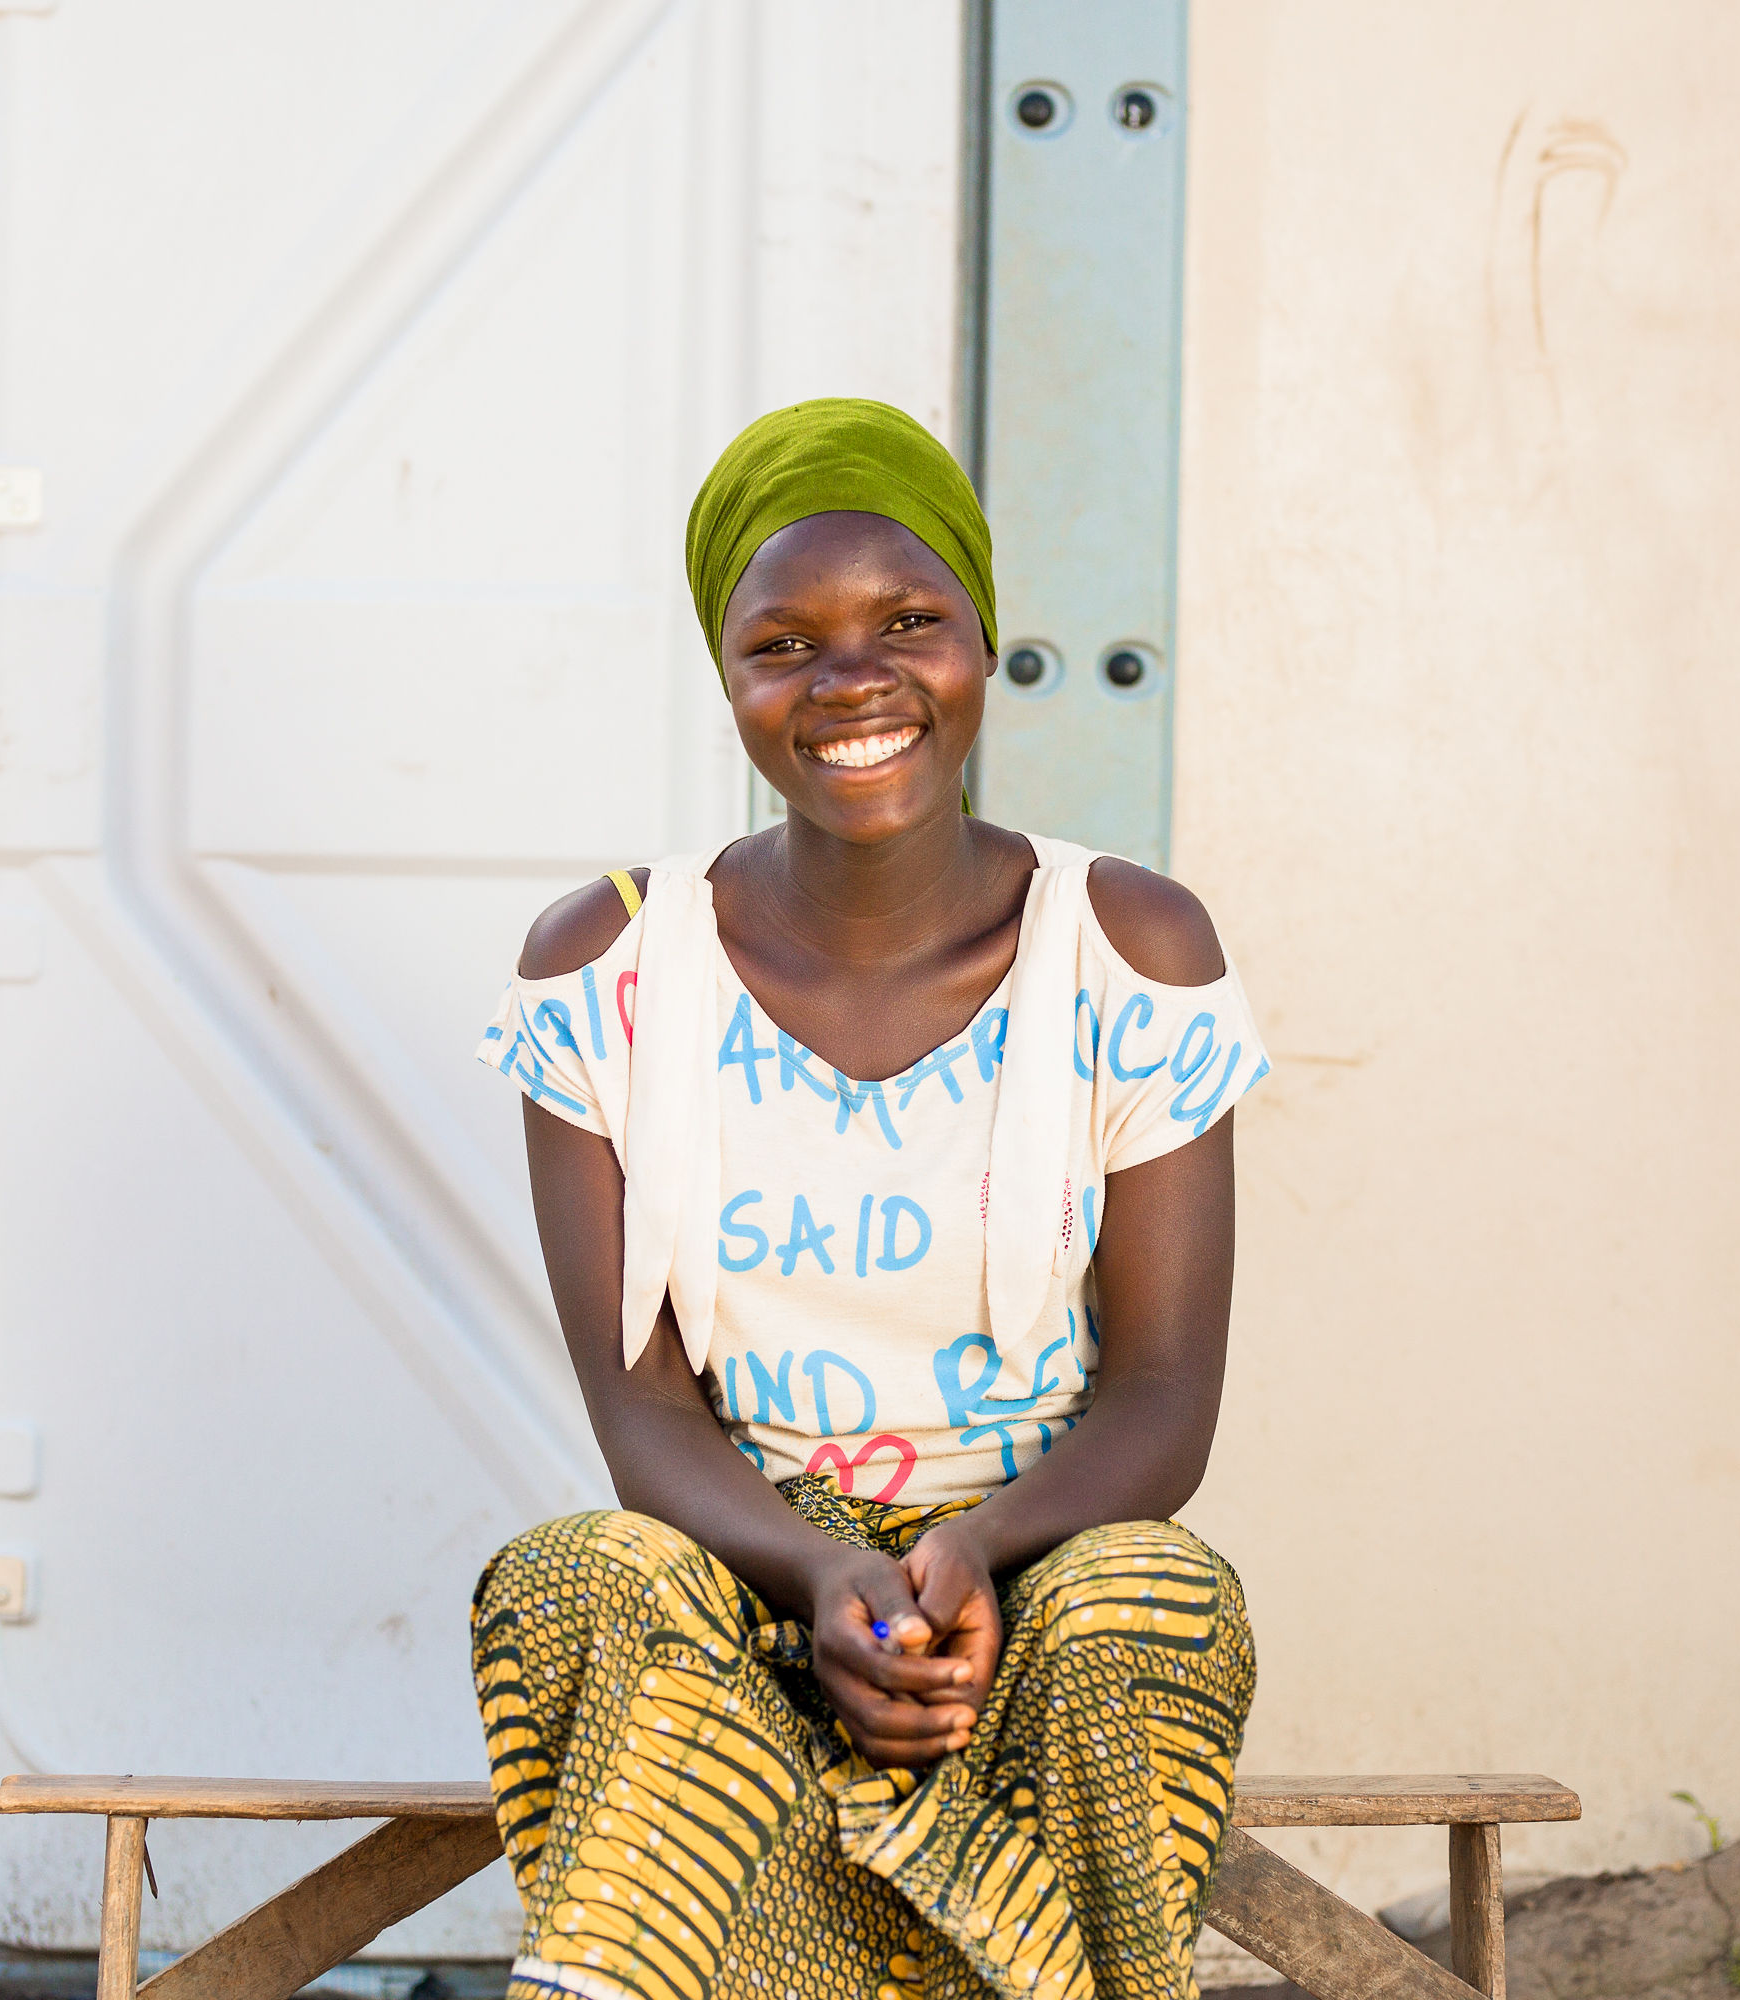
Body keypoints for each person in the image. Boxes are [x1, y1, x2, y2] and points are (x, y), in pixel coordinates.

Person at [470, 398, 1271, 2000]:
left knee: (1154, 1599)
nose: (854, 682)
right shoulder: (607, 969)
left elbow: (1167, 1400)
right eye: (787, 642)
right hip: (747, 1589)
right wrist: (822, 1578)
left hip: (1030, 1597)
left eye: (910, 621)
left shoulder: (1130, 948)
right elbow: (643, 1425)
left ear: (985, 640)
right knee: (573, 1576)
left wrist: (973, 1557)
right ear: (729, 676)